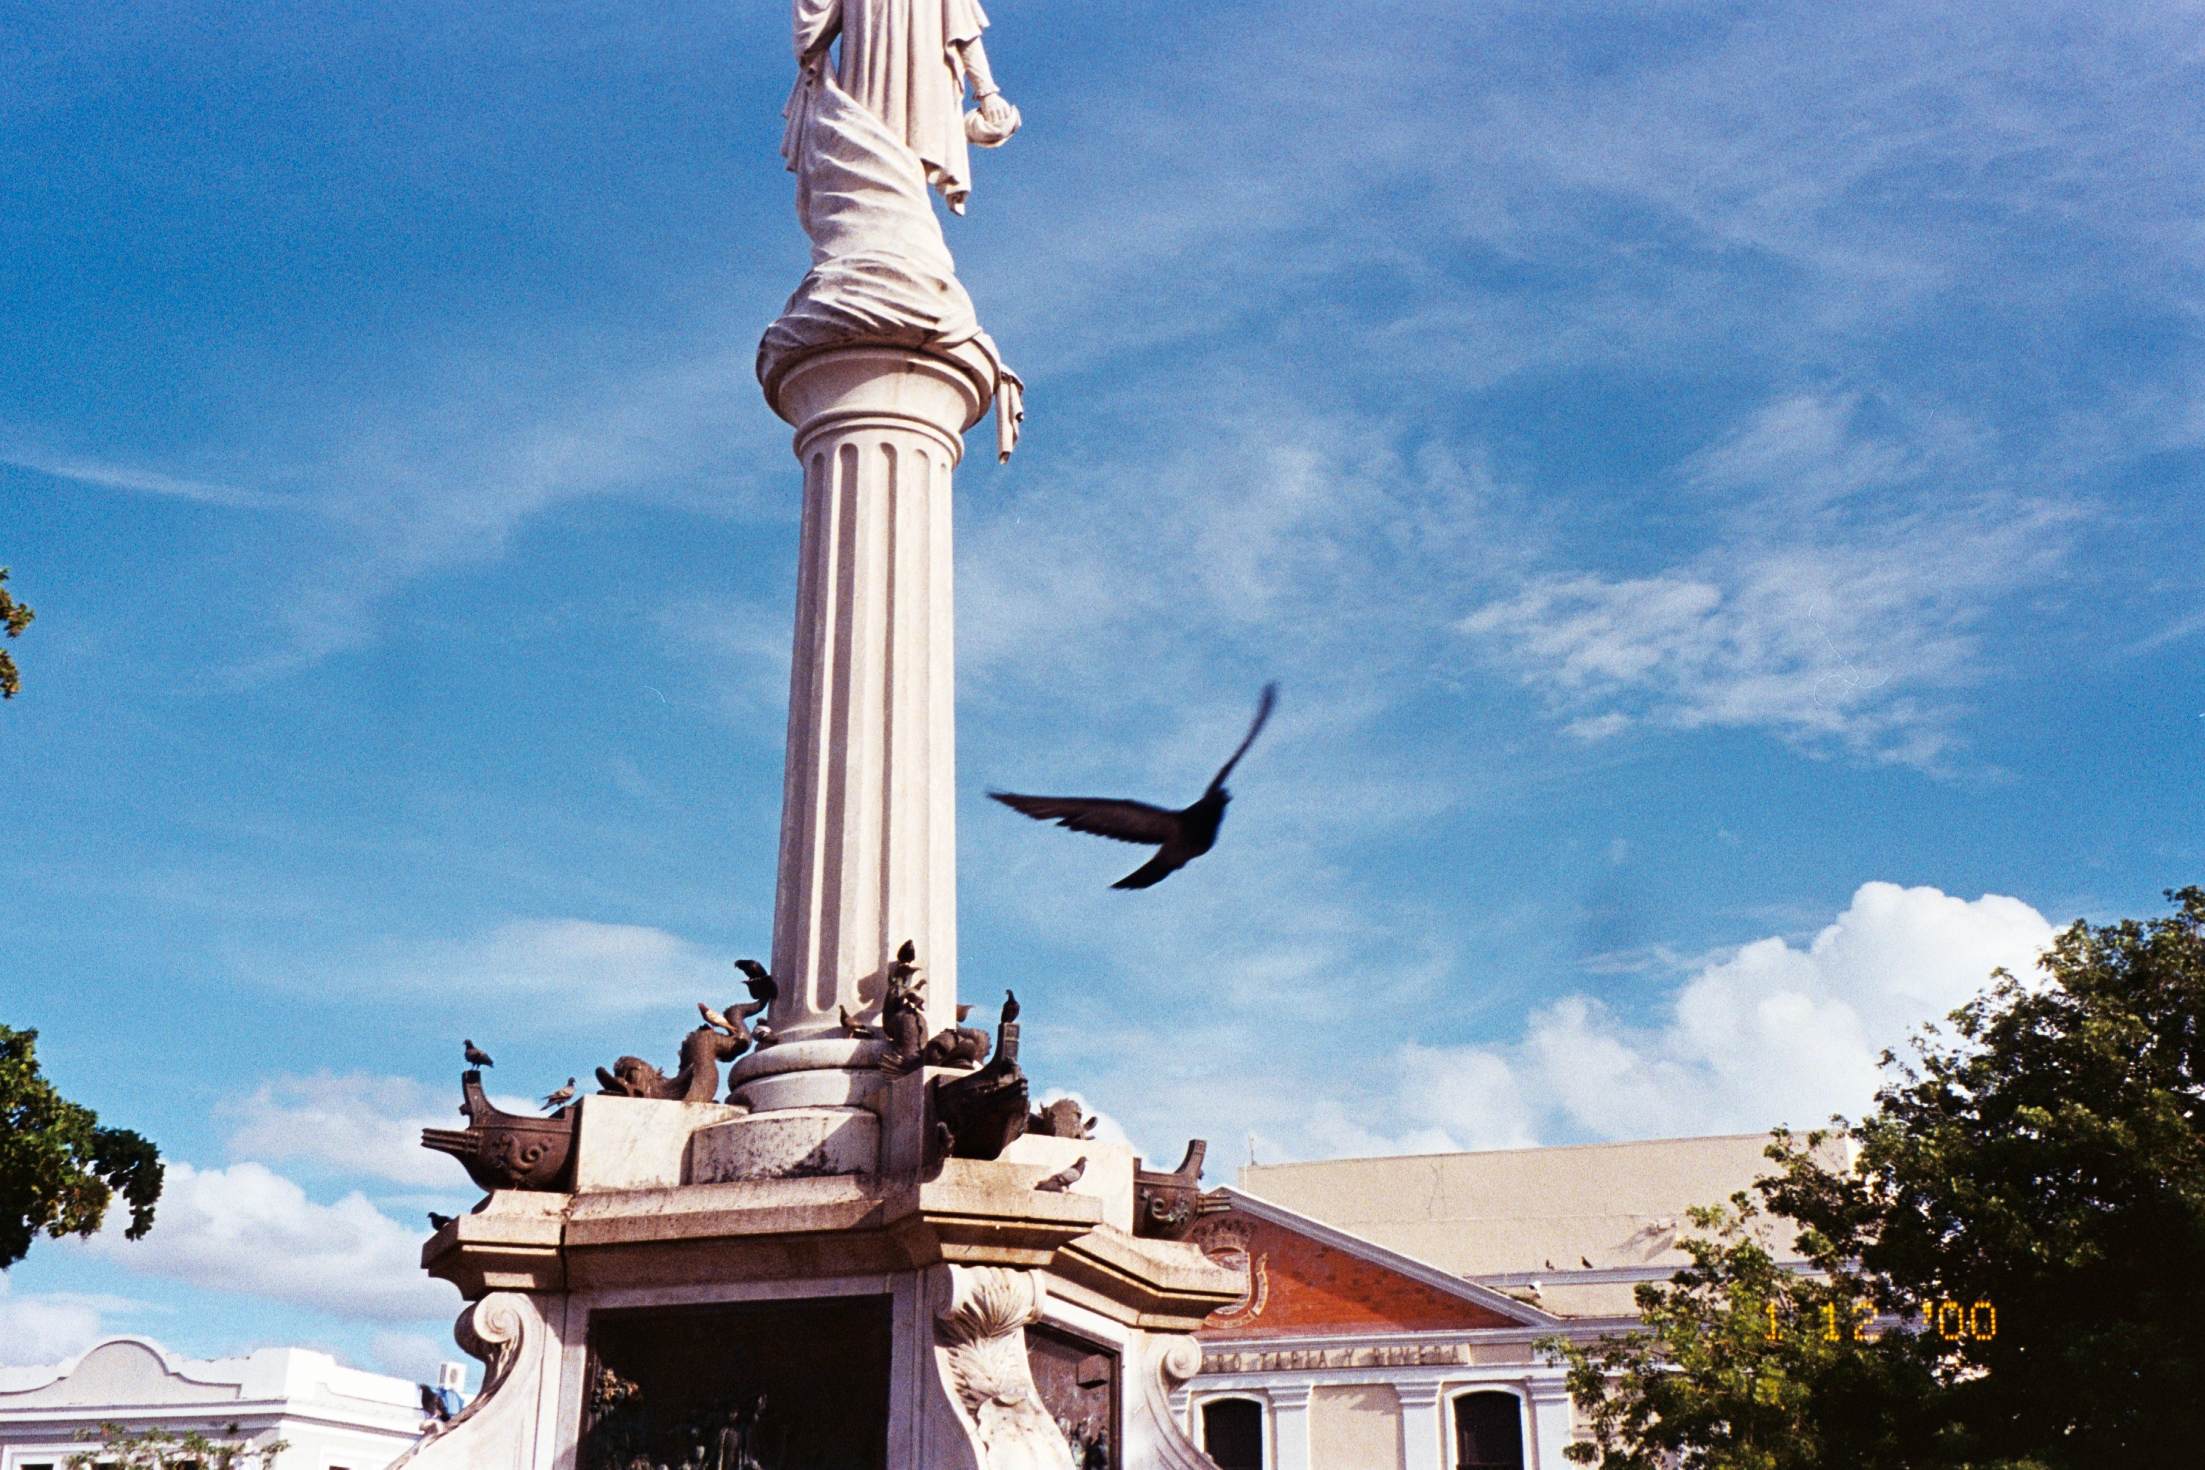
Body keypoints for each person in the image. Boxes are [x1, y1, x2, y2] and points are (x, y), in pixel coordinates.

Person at [788, 0, 1018, 213]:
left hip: (920, 76)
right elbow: (817, 19)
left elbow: (962, 27)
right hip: (867, 78)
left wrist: (987, 93)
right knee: (864, 170)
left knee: (906, 173)